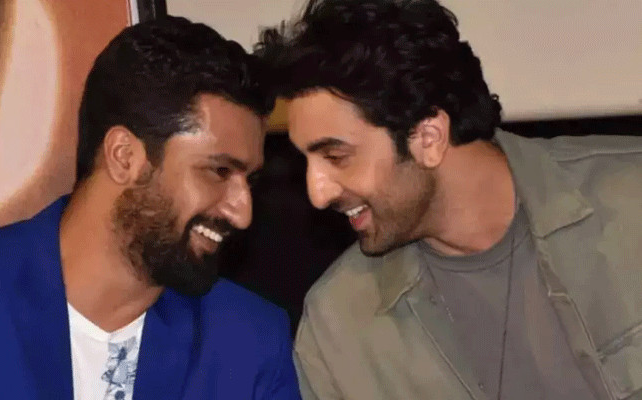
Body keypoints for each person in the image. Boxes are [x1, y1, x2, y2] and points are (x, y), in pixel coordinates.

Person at [257, 0, 642, 399]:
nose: (317, 193)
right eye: (306, 161)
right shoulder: (338, 326)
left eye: (336, 157)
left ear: (429, 138)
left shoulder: (632, 200)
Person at [0, 16, 301, 399]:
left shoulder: (248, 343)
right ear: (124, 156)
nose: (242, 213)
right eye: (219, 171)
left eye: (250, 181)